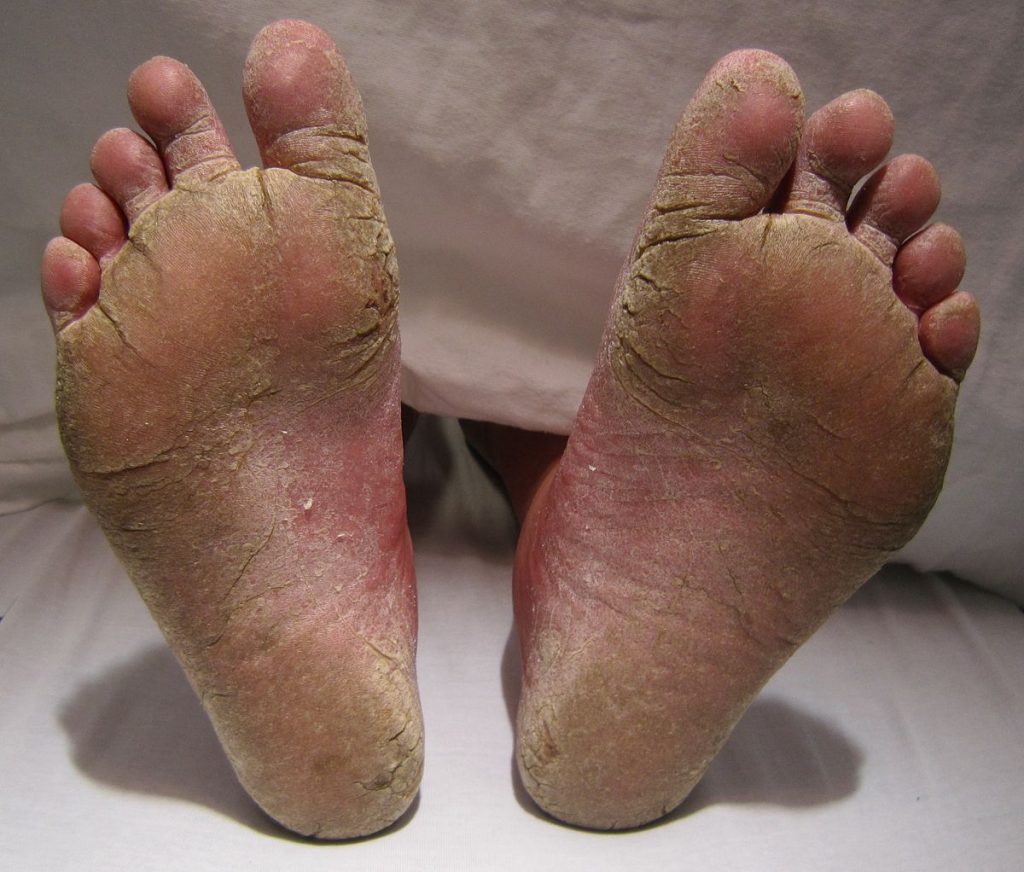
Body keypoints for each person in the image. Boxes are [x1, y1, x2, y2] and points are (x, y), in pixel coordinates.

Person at [40, 19, 979, 839]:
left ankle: (359, 505)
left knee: (395, 407)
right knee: (534, 423)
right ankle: (564, 561)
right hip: (550, 331)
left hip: (375, 336)